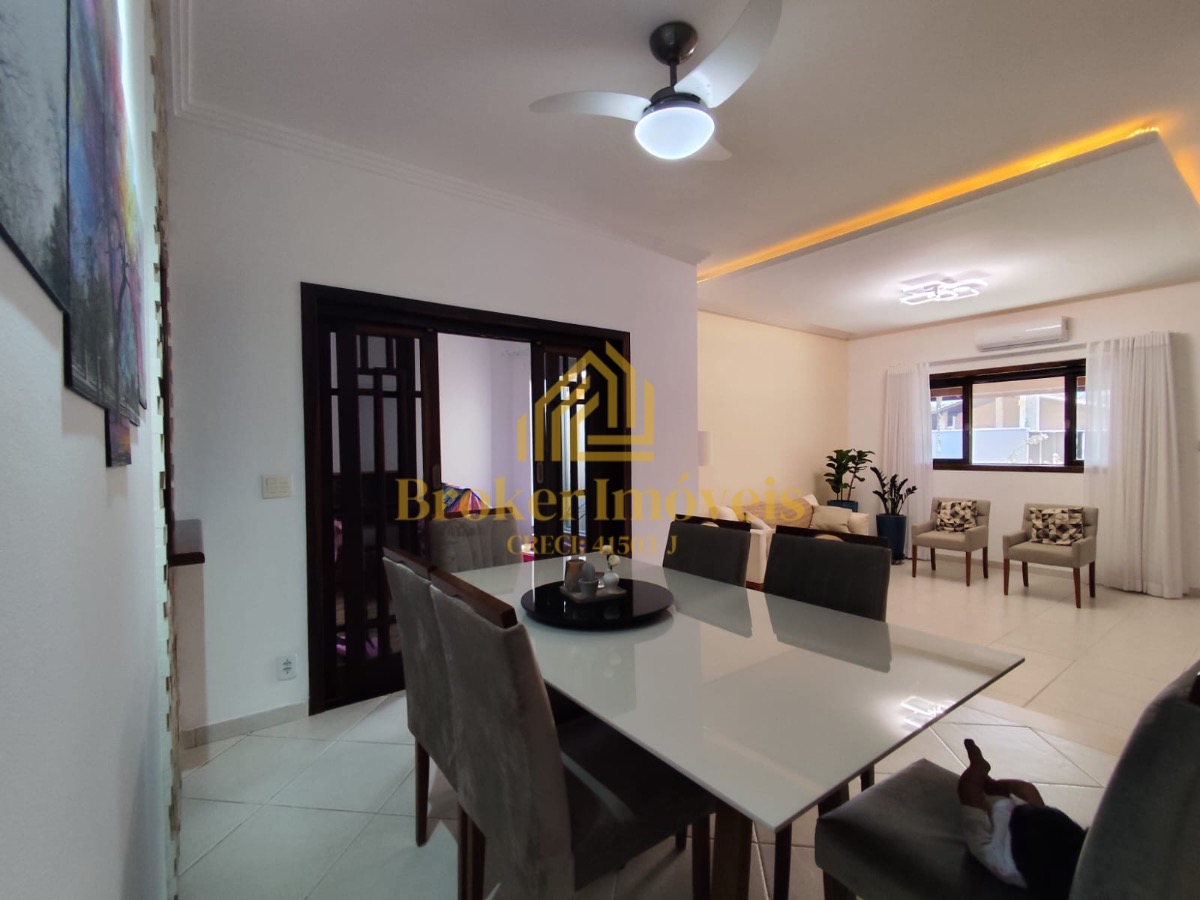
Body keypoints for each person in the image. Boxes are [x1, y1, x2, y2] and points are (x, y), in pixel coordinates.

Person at [958, 738, 1087, 899]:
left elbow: (977, 832)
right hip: (1036, 826)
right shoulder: (1080, 861)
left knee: (968, 792)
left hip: (1013, 824)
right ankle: (994, 786)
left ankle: (978, 769)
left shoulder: (1000, 861)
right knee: (1027, 789)